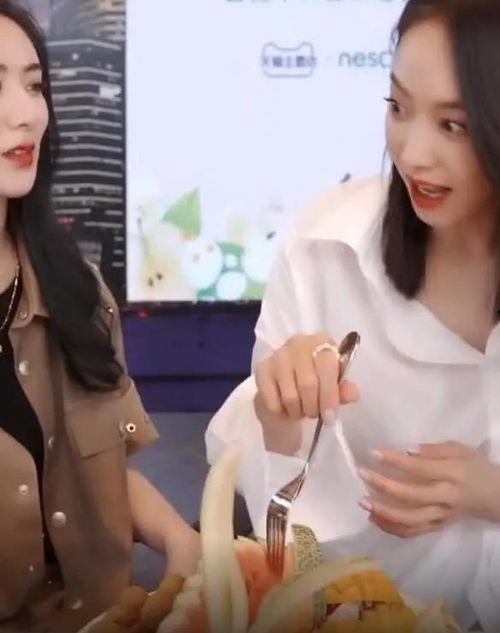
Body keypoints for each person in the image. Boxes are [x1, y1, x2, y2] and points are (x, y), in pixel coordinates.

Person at [206, 0, 500, 629]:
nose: (412, 154)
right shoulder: (327, 247)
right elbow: (285, 530)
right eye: (398, 107)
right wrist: (278, 418)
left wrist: (490, 494)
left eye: (454, 125)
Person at [0, 3, 199, 631]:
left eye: (34, 85)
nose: (27, 112)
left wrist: (182, 542)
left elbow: (98, 474)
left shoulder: (77, 290)